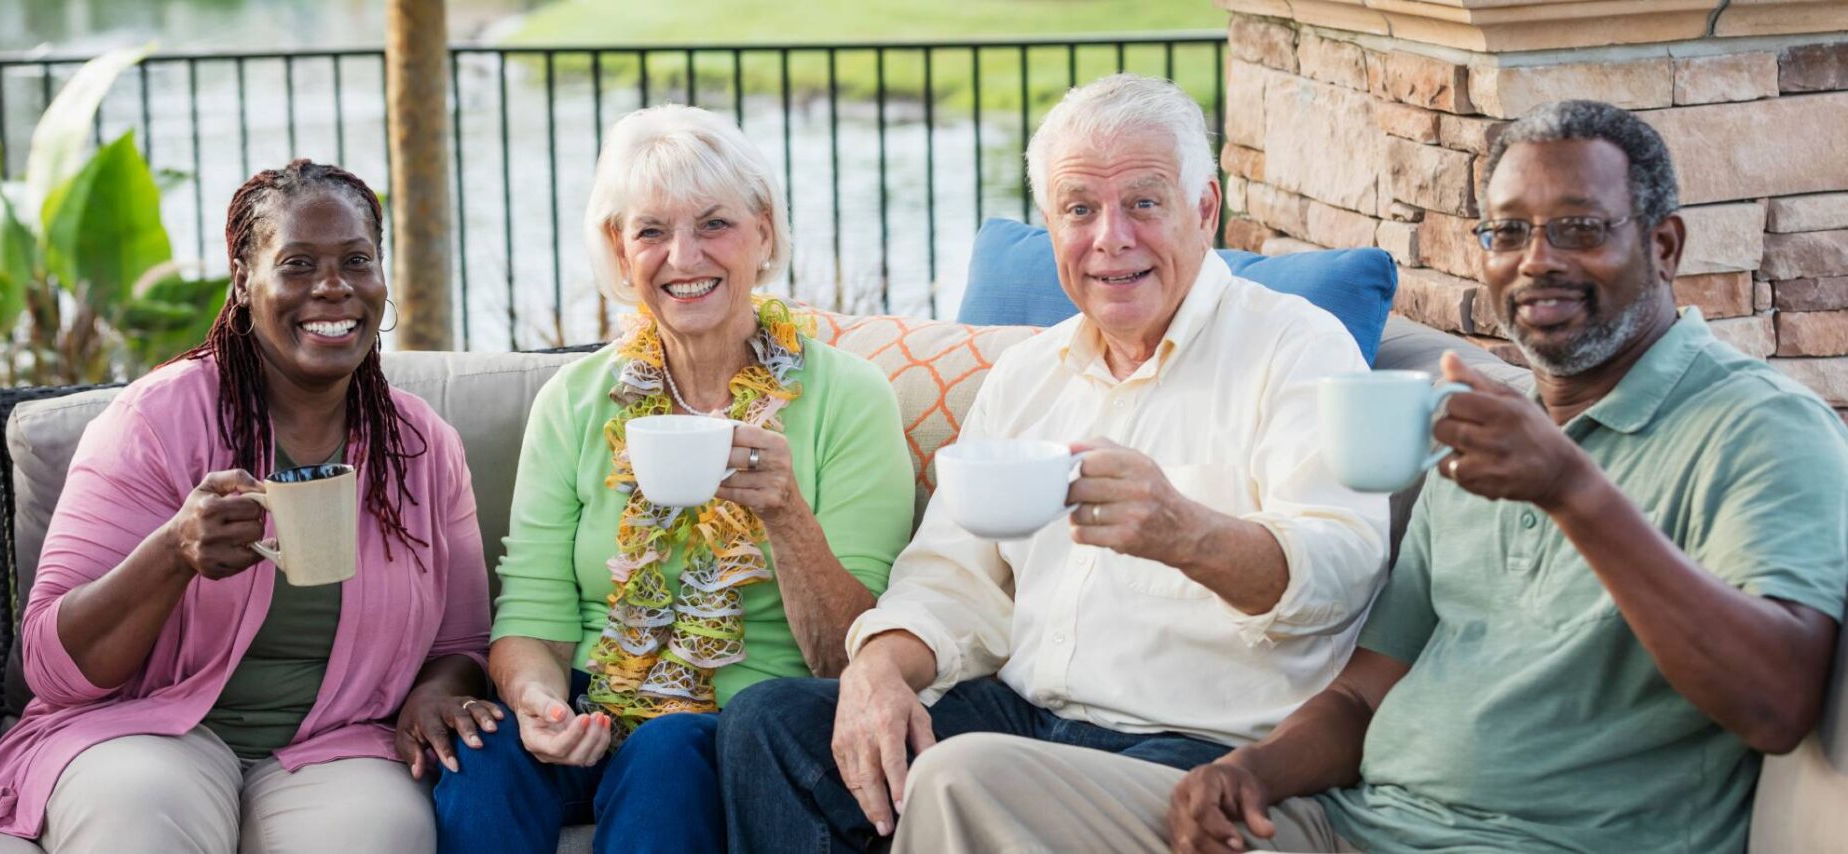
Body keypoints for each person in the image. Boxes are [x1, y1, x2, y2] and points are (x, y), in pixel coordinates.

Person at [890, 100, 1848, 854]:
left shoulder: (1757, 428)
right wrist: (1253, 774)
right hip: (1347, 826)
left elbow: (1776, 701)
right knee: (960, 779)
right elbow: (1363, 693)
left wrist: (1574, 493)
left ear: (1665, 245)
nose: (1535, 263)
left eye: (1579, 228)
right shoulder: (1486, 435)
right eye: (1507, 235)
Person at [718, 73, 1390, 853]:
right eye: (1080, 209)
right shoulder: (1028, 375)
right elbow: (951, 576)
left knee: (961, 774)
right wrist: (876, 667)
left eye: (1143, 202)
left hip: (1201, 745)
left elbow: (1342, 569)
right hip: (1026, 717)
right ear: (1051, 223)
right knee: (769, 726)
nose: (1111, 238)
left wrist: (1188, 535)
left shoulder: (1296, 348)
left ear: (1205, 211)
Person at [0, 160, 497, 853]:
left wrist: (435, 692)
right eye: (297, 264)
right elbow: (50, 667)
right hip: (146, 729)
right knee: (137, 818)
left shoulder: (420, 446)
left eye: (356, 261)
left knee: (377, 834)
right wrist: (173, 553)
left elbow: (459, 644)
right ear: (244, 282)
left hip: (339, 744)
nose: (333, 287)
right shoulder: (154, 422)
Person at [430, 104, 916, 854]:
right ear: (620, 255)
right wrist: (537, 704)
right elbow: (532, 609)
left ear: (764, 233)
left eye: (714, 224)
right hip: (597, 697)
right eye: (651, 231)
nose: (683, 257)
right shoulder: (575, 400)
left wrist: (786, 515)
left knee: (665, 756)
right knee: (484, 765)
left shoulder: (849, 398)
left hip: (750, 717)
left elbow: (849, 654)